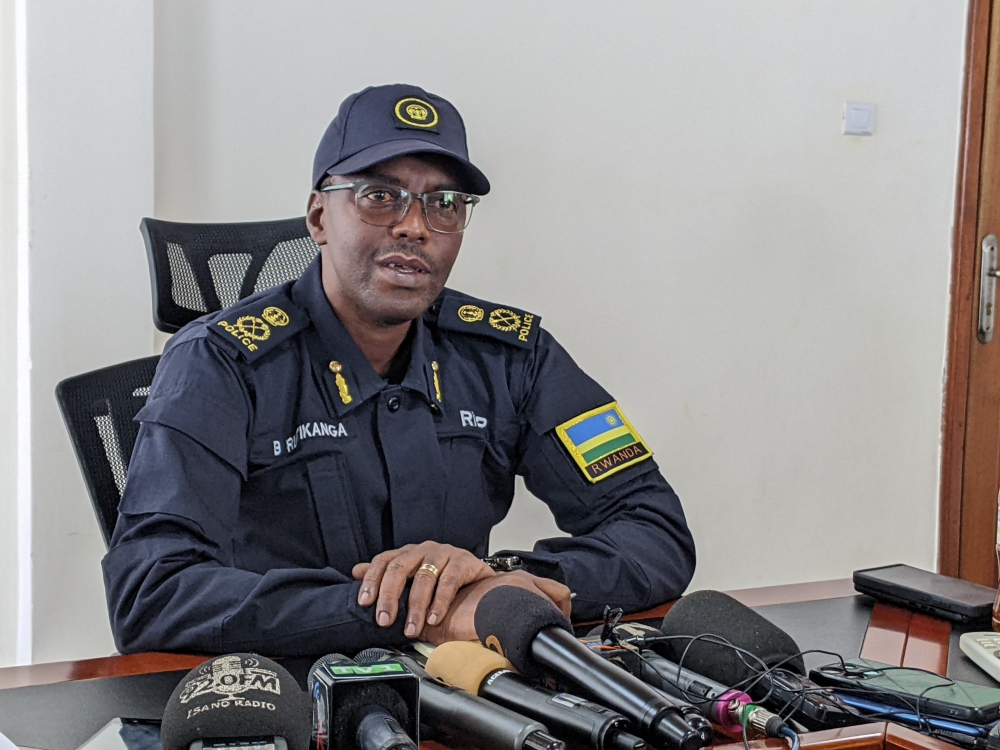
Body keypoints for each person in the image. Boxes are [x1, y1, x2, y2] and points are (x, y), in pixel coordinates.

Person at [103, 84, 696, 656]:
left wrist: (502, 584)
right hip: (286, 694)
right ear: (318, 217)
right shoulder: (219, 361)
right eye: (379, 196)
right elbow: (150, 592)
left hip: (471, 693)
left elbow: (655, 530)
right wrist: (405, 608)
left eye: (445, 205)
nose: (415, 226)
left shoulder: (513, 355)